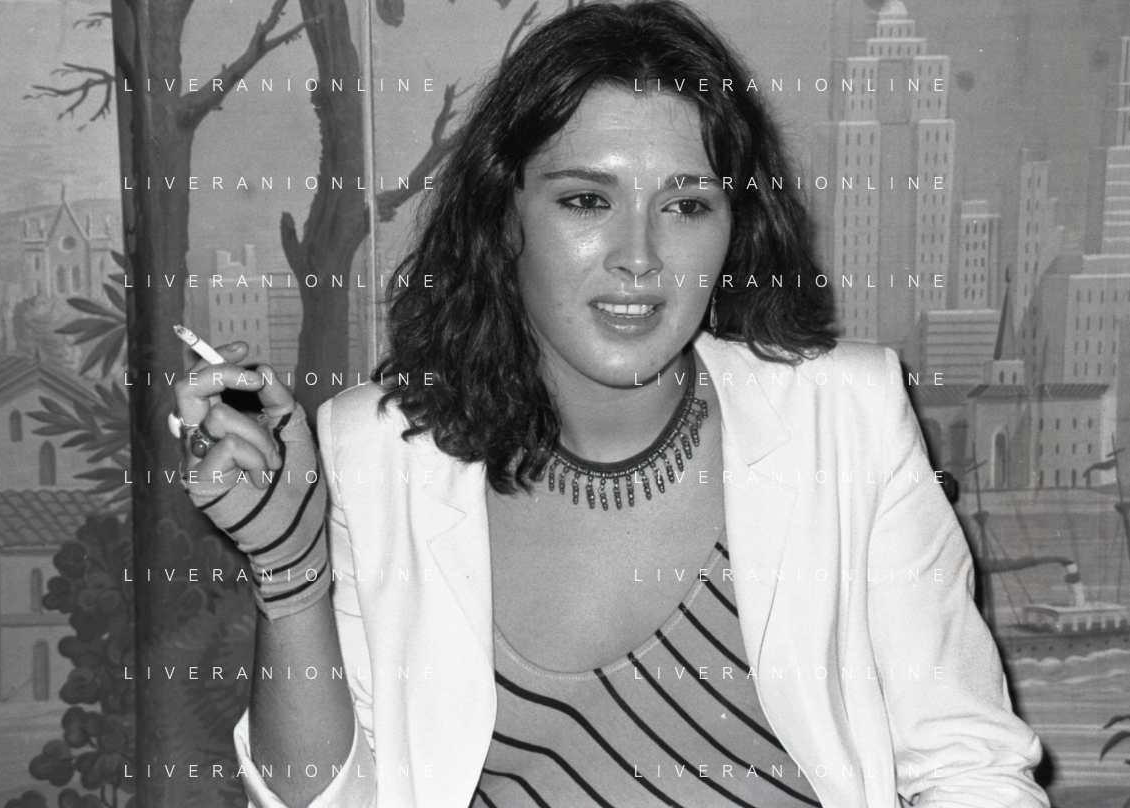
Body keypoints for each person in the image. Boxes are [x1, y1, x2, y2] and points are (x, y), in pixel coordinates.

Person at [172, 2, 1049, 806]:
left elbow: (971, 770)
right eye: (587, 200)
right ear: (504, 216)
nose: (639, 256)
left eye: (687, 205)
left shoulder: (846, 418)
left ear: (734, 228)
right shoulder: (376, 450)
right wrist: (289, 569)